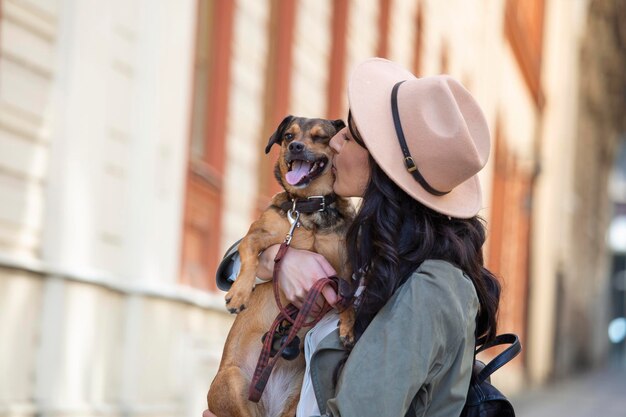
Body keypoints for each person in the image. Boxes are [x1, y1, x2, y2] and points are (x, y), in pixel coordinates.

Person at [204, 57, 500, 417]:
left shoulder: (428, 290)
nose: (337, 142)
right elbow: (238, 264)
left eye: (352, 135)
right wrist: (278, 260)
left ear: (383, 166)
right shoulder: (384, 246)